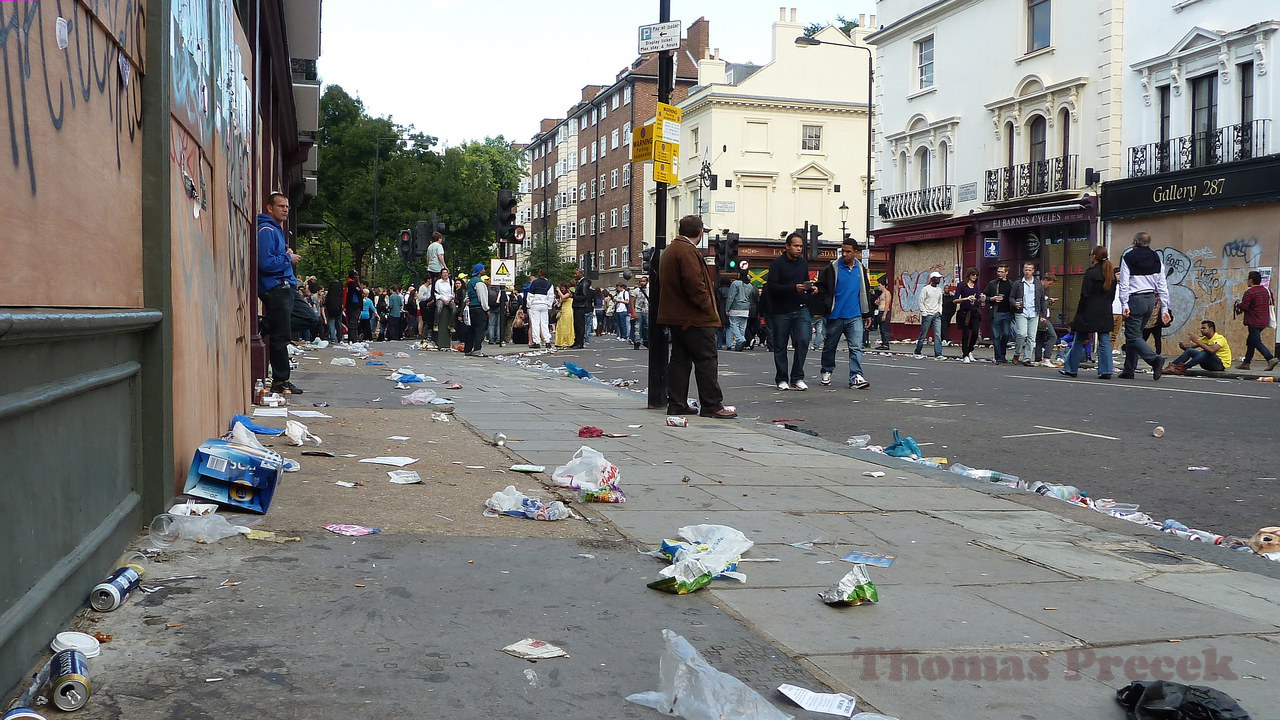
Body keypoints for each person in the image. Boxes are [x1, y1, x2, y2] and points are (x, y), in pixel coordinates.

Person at [658, 215, 736, 418]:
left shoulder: (671, 250)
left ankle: (677, 403)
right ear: (700, 232)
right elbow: (695, 284)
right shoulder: (687, 251)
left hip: (677, 316)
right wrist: (707, 308)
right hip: (694, 317)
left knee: (680, 360)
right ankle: (711, 405)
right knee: (706, 359)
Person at [256, 192, 304, 394]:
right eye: (281, 206)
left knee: (310, 318)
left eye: (287, 206)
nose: (285, 209)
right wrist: (288, 258)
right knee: (281, 337)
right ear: (269, 207)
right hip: (275, 287)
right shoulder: (266, 230)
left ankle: (268, 324)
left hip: (286, 286)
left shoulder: (277, 230)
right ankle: (280, 381)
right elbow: (265, 263)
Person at [814, 239, 873, 389]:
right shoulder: (833, 268)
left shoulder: (860, 269)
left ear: (856, 252)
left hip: (855, 315)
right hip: (835, 315)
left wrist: (867, 314)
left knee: (856, 347)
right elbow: (822, 287)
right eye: (842, 251)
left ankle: (856, 376)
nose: (844, 254)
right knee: (830, 346)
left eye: (848, 251)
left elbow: (865, 291)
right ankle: (826, 370)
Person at [766, 232, 816, 390]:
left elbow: (803, 282)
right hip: (781, 310)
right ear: (787, 246)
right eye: (796, 246)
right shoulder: (777, 264)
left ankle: (797, 377)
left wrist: (809, 288)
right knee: (780, 345)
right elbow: (772, 287)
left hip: (801, 308)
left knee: (803, 340)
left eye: (801, 246)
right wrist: (793, 288)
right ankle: (781, 378)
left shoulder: (803, 263)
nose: (799, 249)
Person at [1118, 231, 1170, 380]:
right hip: (1150, 300)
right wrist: (1164, 308)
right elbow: (1162, 284)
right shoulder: (1156, 258)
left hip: (1135, 299)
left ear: (1135, 242)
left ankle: (1154, 359)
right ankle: (1129, 369)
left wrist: (1124, 303)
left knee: (1132, 336)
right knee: (1136, 336)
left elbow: (1124, 282)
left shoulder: (1128, 257)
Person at [1060, 246, 1116, 379]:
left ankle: (1071, 368)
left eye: (1091, 255)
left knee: (1079, 338)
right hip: (1105, 310)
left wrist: (1079, 313)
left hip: (1089, 311)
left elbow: (1085, 295)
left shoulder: (1091, 273)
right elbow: (1112, 296)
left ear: (1095, 256)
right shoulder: (1110, 273)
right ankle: (1106, 370)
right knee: (1104, 340)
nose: (1090, 257)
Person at [1236, 270, 1278, 371]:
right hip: (1264, 321)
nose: (1247, 281)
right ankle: (1246, 363)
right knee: (1251, 341)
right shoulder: (1266, 291)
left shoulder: (1249, 292)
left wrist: (1238, 305)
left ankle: (1270, 358)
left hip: (1253, 320)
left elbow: (1245, 307)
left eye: (1248, 279)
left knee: (1256, 341)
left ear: (1251, 280)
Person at [1009, 262, 1045, 367]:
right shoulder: (1018, 283)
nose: (1027, 272)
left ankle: (1027, 358)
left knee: (1031, 337)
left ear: (1033, 271)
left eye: (1029, 270)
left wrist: (1043, 314)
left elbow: (1042, 299)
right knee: (1021, 334)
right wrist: (1015, 303)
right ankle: (1017, 353)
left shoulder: (1038, 284)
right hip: (1021, 312)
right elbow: (1011, 297)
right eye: (1025, 269)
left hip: (1034, 312)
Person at [1166, 320, 1232, 374]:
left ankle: (1184, 368)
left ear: (1211, 329)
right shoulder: (1204, 338)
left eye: (1204, 328)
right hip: (1207, 364)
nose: (1201, 330)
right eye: (1201, 328)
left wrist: (1197, 341)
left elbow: (1212, 350)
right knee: (1190, 351)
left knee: (1206, 352)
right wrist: (1183, 346)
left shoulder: (1219, 338)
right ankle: (1172, 366)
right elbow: (1191, 346)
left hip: (1220, 365)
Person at [983, 264, 1014, 364]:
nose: (999, 273)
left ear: (1007, 272)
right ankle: (998, 357)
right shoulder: (992, 284)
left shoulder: (1011, 284)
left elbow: (1014, 297)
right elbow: (984, 296)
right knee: (996, 336)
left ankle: (1002, 354)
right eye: (998, 272)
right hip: (996, 312)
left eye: (1001, 272)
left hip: (1007, 313)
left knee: (1005, 334)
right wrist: (992, 298)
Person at [913, 271, 944, 359]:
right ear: (932, 279)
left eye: (939, 278)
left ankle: (938, 353)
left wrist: (939, 311)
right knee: (923, 333)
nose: (939, 280)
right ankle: (918, 351)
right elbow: (921, 301)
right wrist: (924, 312)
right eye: (937, 278)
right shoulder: (926, 289)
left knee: (938, 334)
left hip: (936, 314)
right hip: (928, 314)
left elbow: (940, 302)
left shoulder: (939, 289)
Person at [954, 268, 982, 363]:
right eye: (973, 275)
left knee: (975, 332)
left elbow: (977, 298)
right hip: (965, 312)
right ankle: (965, 354)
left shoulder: (976, 286)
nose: (974, 277)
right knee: (965, 334)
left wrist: (980, 298)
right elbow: (955, 299)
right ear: (969, 275)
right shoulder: (962, 285)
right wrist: (966, 299)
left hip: (974, 311)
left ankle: (970, 350)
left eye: (976, 275)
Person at [1033, 274, 1060, 366]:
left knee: (1040, 337)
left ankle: (1038, 359)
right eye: (1050, 283)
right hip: (1042, 317)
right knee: (1053, 337)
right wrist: (1049, 301)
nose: (1050, 286)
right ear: (1045, 280)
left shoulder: (1039, 289)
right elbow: (1041, 304)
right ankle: (1046, 358)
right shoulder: (1039, 289)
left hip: (1040, 316)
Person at [463, 263, 490, 356]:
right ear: (480, 271)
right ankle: (477, 349)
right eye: (483, 269)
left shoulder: (470, 282)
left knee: (470, 329)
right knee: (479, 329)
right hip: (479, 308)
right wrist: (486, 309)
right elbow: (482, 297)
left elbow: (467, 296)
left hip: (471, 308)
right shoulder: (479, 282)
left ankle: (468, 349)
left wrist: (468, 302)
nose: (484, 270)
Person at [526, 269, 555, 349]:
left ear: (540, 273)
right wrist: (549, 306)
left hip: (535, 304)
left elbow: (530, 295)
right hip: (544, 305)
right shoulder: (549, 284)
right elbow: (551, 296)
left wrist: (529, 305)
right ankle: (547, 341)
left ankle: (537, 342)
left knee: (535, 323)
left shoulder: (535, 282)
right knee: (545, 323)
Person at [724, 272, 752, 351]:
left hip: (736, 307)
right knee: (742, 327)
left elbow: (731, 297)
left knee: (734, 325)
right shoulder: (750, 286)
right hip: (746, 308)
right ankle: (739, 346)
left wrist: (727, 308)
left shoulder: (735, 284)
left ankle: (740, 339)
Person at [570, 268, 592, 349]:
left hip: (580, 306)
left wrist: (573, 295)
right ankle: (577, 341)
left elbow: (584, 296)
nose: (574, 275)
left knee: (580, 325)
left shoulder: (584, 282)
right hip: (578, 306)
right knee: (576, 325)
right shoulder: (580, 283)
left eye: (576, 274)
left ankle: (580, 342)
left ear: (581, 273)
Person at [433, 269, 455, 350]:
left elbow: (453, 293)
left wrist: (449, 299)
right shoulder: (438, 282)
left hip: (449, 299)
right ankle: (436, 323)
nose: (445, 274)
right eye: (444, 273)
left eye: (447, 273)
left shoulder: (451, 282)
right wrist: (443, 299)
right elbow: (436, 293)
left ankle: (451, 325)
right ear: (441, 274)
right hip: (441, 298)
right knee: (439, 307)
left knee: (454, 309)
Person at [631, 275, 651, 350]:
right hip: (638, 310)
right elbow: (632, 301)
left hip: (646, 311)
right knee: (637, 327)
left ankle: (646, 341)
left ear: (647, 282)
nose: (642, 283)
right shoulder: (636, 290)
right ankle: (637, 342)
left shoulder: (650, 290)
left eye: (644, 281)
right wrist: (633, 312)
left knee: (646, 327)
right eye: (641, 281)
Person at [344, 270, 363, 343]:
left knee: (354, 322)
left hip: (352, 305)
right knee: (353, 323)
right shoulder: (352, 283)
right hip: (354, 305)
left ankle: (353, 338)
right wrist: (358, 283)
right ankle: (353, 338)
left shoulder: (349, 283)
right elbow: (359, 291)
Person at [555, 283, 576, 348]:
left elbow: (564, 297)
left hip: (568, 311)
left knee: (566, 326)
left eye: (563, 288)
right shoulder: (562, 294)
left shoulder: (569, 294)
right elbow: (560, 303)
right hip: (562, 311)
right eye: (561, 288)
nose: (562, 289)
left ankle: (567, 341)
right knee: (560, 326)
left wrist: (558, 291)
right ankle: (560, 341)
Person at [874, 284, 892, 350]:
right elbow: (877, 302)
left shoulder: (887, 293)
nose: (878, 287)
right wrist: (877, 302)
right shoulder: (881, 294)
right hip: (880, 311)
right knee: (881, 329)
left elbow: (887, 304)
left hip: (884, 312)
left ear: (883, 285)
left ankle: (886, 344)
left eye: (879, 285)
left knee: (885, 329)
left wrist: (885, 314)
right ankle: (883, 343)